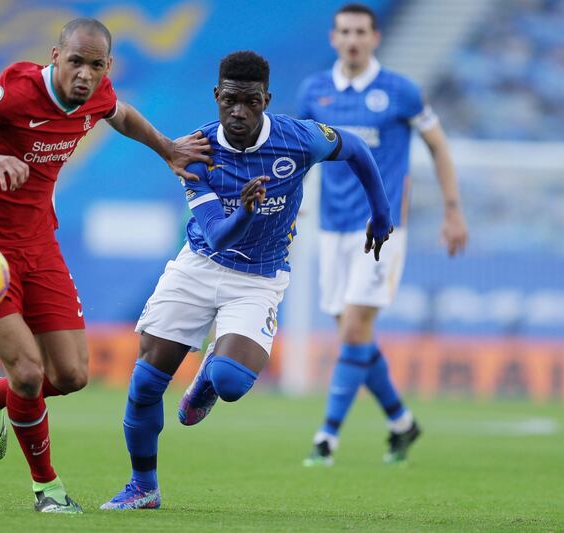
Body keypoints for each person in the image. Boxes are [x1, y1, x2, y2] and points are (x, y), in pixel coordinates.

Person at [0, 18, 210, 514]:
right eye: (76, 62)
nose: (85, 75)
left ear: (107, 67)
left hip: (38, 242)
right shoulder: (15, 90)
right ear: (55, 56)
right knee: (28, 373)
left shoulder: (98, 93)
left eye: (96, 65)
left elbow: (123, 114)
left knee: (70, 375)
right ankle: (46, 489)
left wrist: (168, 149)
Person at [100, 50, 393, 511]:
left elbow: (354, 147)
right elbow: (216, 234)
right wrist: (245, 212)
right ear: (217, 96)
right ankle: (143, 486)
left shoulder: (299, 138)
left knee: (232, 382)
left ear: (266, 100)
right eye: (230, 100)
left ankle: (208, 380)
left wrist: (380, 213)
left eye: (250, 102)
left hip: (259, 277)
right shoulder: (195, 151)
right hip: (198, 266)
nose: (238, 111)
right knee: (144, 385)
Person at [297, 3, 468, 466]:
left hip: (381, 231)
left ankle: (326, 437)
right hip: (331, 229)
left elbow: (438, 146)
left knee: (354, 329)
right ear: (334, 38)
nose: (353, 39)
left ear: (375, 38)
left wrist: (453, 210)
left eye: (361, 32)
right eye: (345, 31)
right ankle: (401, 422)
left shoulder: (400, 91)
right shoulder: (314, 91)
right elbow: (298, 155)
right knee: (354, 337)